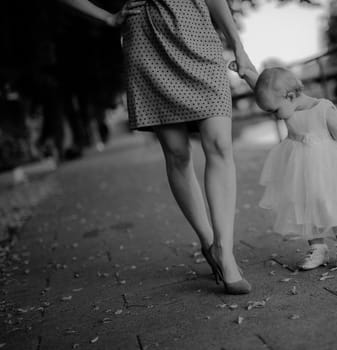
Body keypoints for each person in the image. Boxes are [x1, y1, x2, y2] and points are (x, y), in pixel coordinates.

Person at [58, 0, 256, 294]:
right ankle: (208, 242)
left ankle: (225, 251)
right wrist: (107, 18)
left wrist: (237, 46)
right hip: (145, 43)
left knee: (219, 143)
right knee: (177, 154)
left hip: (199, 35)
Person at [243, 67, 337, 270]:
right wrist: (247, 74)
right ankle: (317, 248)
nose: (275, 116)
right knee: (304, 206)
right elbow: (266, 89)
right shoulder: (286, 106)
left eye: (274, 111)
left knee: (333, 204)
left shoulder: (323, 109)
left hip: (327, 168)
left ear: (290, 96)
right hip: (298, 170)